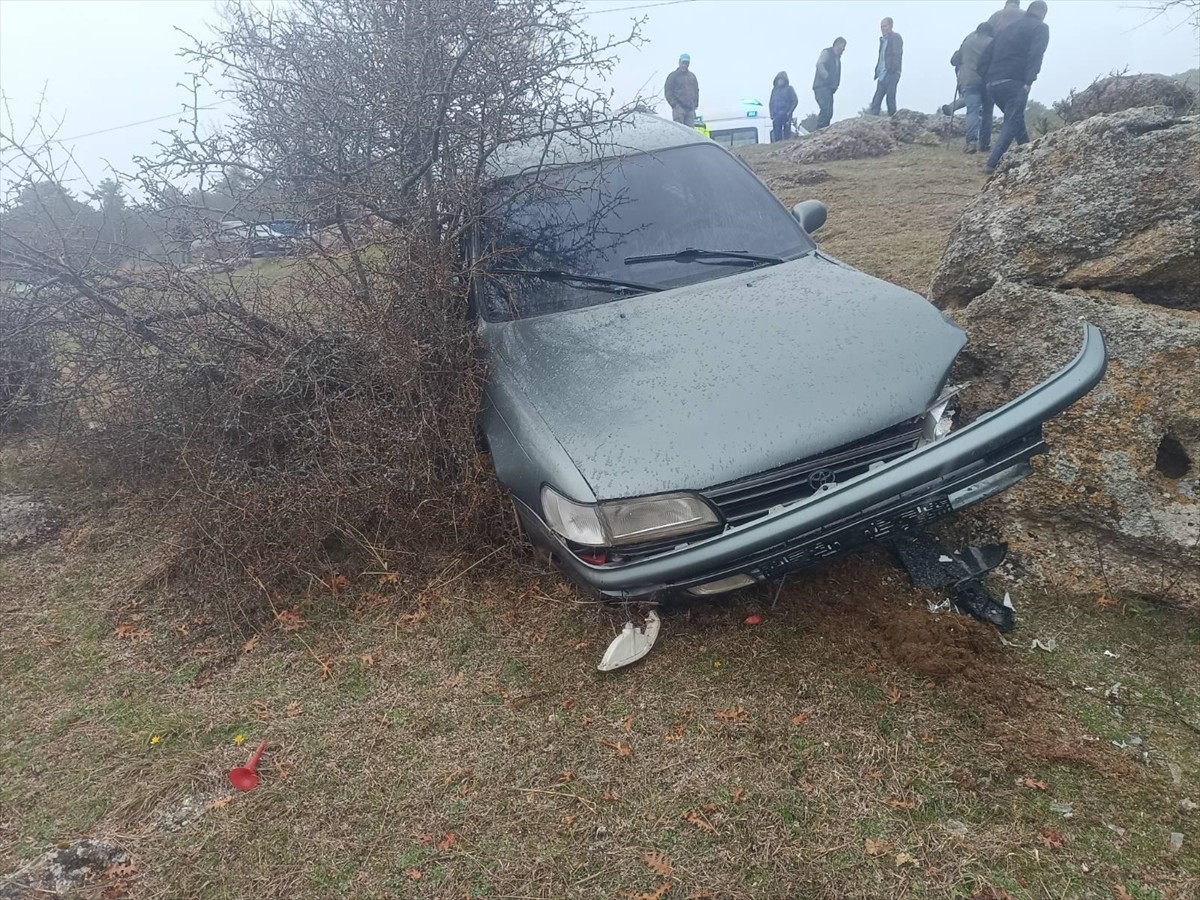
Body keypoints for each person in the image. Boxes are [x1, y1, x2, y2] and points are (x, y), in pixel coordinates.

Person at [980, 0, 1049, 173]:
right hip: (1014, 82)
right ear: (1042, 14)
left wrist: (987, 77)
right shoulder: (1040, 27)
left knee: (1015, 117)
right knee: (1011, 121)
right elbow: (1036, 54)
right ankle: (992, 163)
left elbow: (985, 55)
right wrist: (1029, 81)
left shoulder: (1006, 29)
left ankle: (1029, 152)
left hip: (992, 84)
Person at [950, 22, 995, 153]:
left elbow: (954, 60)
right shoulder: (993, 43)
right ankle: (985, 144)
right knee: (987, 112)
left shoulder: (967, 43)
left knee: (972, 111)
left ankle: (971, 142)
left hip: (969, 80)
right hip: (988, 81)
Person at [869, 18, 903, 117]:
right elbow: (881, 57)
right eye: (881, 27)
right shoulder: (883, 40)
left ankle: (894, 120)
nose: (883, 29)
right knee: (876, 99)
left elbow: (897, 54)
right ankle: (873, 120)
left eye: (885, 26)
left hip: (891, 72)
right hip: (882, 73)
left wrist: (893, 69)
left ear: (891, 26)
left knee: (890, 98)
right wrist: (877, 70)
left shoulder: (896, 38)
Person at [812, 38, 846, 129]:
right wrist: (826, 77)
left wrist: (835, 85)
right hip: (821, 86)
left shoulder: (837, 59)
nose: (843, 49)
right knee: (825, 108)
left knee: (829, 112)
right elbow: (819, 64)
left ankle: (824, 129)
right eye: (843, 46)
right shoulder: (827, 52)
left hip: (829, 89)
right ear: (837, 44)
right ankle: (820, 130)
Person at [664, 53, 700, 126]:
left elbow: (696, 91)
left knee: (690, 131)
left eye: (686, 63)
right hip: (679, 108)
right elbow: (668, 91)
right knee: (679, 129)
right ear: (679, 62)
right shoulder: (673, 76)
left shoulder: (692, 76)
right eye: (683, 63)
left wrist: (695, 104)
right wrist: (674, 104)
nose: (684, 65)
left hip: (690, 109)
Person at [769, 71, 799, 141]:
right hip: (776, 115)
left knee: (787, 135)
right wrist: (772, 114)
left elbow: (795, 101)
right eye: (779, 79)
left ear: (785, 80)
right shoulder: (774, 90)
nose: (780, 81)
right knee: (777, 135)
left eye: (782, 79)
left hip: (786, 114)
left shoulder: (789, 89)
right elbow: (771, 103)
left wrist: (790, 111)